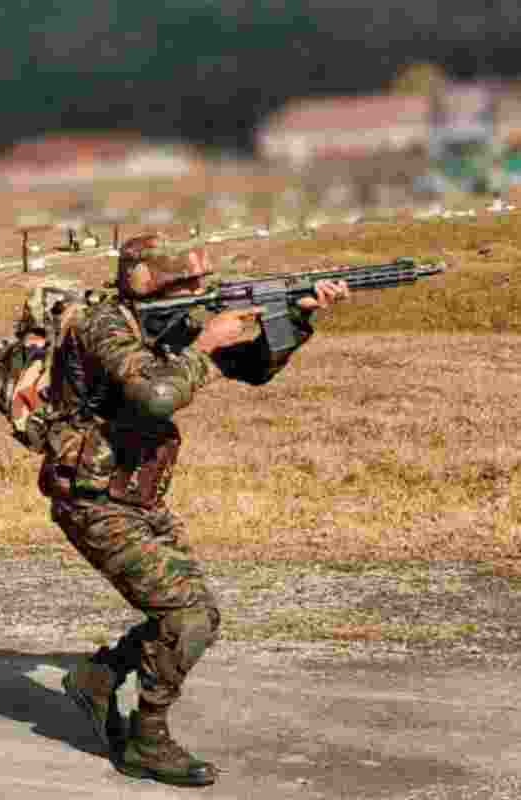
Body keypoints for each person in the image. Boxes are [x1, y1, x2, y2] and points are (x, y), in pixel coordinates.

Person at [49, 235, 348, 787]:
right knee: (186, 616)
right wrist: (204, 343)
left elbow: (253, 369)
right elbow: (157, 395)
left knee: (198, 616)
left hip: (134, 494)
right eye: (188, 284)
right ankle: (147, 740)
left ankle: (100, 674)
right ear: (154, 284)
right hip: (92, 499)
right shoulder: (105, 326)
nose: (201, 292)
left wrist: (296, 320)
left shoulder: (170, 320)